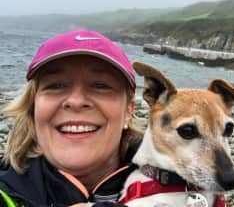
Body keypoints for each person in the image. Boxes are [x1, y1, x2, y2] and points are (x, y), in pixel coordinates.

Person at [0, 30, 143, 207]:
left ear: (128, 111)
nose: (76, 101)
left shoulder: (178, 190)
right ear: (33, 106)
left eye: (100, 85)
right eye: (56, 85)